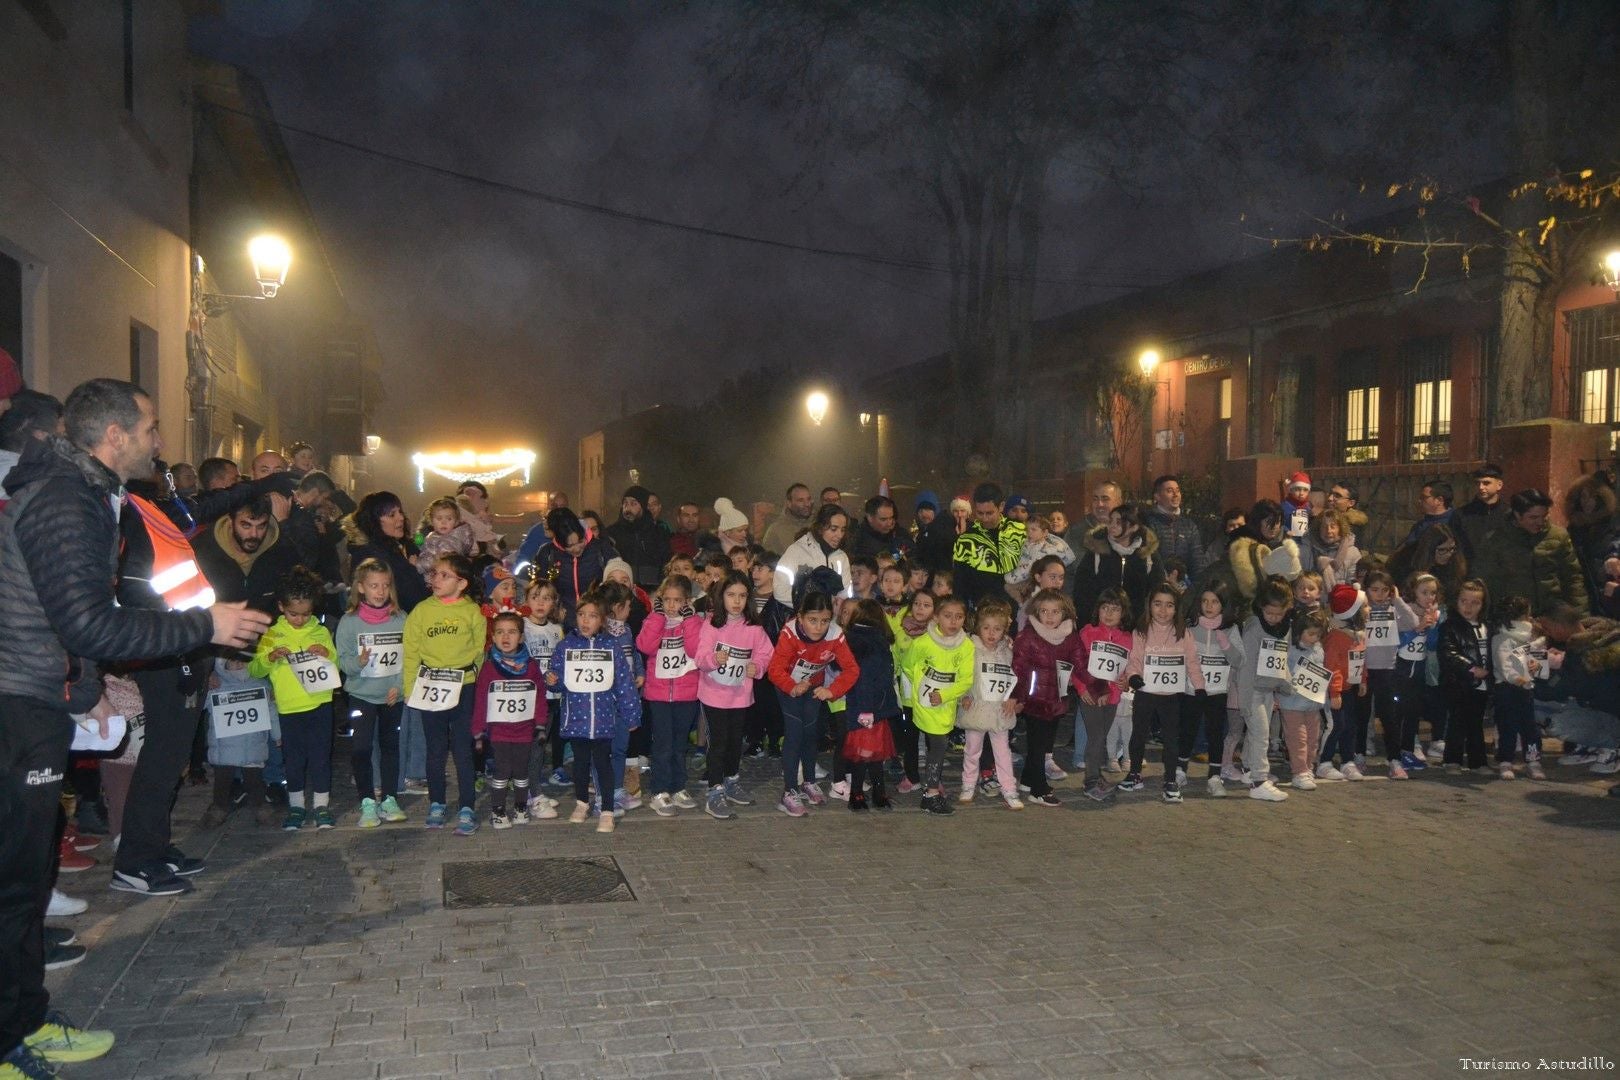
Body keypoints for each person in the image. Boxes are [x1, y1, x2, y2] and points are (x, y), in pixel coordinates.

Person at [249, 568, 339, 832]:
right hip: (289, 707)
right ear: (281, 607)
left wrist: (326, 652)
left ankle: (322, 806)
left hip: (320, 704)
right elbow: (255, 669)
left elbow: (335, 662)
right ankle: (297, 806)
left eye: (306, 614)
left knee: (321, 756)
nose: (300, 620)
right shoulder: (272, 635)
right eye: (293, 614)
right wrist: (270, 656)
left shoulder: (320, 631)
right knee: (294, 759)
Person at [403, 552, 486, 835]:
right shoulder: (422, 611)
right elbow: (411, 651)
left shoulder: (471, 611)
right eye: (434, 574)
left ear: (461, 583)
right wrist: (409, 687)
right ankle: (437, 802)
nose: (435, 579)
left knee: (462, 748)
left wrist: (472, 676)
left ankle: (467, 806)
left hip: (463, 686)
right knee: (435, 749)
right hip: (431, 687)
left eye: (443, 575)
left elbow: (479, 649)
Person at [547, 589, 641, 834]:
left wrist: (631, 714)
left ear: (602, 621)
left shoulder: (611, 647)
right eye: (581, 615)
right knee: (580, 763)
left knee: (603, 764)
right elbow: (555, 676)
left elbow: (624, 683)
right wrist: (552, 679)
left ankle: (607, 809)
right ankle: (581, 802)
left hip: (603, 719)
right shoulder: (566, 645)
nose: (585, 620)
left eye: (592, 616)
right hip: (576, 718)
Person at [766, 588, 859, 817]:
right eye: (812, 620)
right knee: (795, 733)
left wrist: (832, 690)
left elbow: (852, 669)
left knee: (811, 734)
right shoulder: (789, 634)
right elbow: (774, 670)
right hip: (788, 687)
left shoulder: (835, 635)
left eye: (825, 620)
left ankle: (808, 782)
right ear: (800, 617)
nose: (818, 627)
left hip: (813, 688)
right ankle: (789, 791)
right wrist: (792, 687)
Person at [335, 558, 409, 829]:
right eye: (374, 585)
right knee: (361, 748)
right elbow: (341, 662)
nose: (380, 591)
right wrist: (359, 663)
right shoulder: (349, 622)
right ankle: (367, 801)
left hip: (392, 696)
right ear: (361, 588)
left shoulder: (401, 619)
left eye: (385, 586)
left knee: (391, 747)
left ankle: (389, 798)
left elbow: (410, 656)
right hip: (361, 696)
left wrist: (399, 687)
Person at [694, 570, 776, 816]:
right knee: (718, 743)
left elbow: (766, 654)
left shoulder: (754, 627)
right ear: (722, 597)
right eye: (731, 595)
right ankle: (714, 791)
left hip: (740, 695)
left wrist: (758, 667)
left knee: (734, 743)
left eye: (742, 595)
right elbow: (699, 657)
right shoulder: (711, 625)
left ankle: (731, 780)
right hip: (713, 695)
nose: (737, 601)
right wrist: (713, 659)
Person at [1122, 582, 1205, 803]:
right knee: (1138, 735)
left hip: (1170, 696)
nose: (1163, 610)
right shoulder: (1140, 631)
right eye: (1158, 604)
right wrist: (1133, 677)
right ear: (1149, 606)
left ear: (1176, 609)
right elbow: (1135, 659)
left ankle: (1170, 779)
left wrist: (1199, 686)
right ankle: (1134, 773)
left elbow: (1192, 662)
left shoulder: (1183, 634)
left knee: (1171, 739)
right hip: (1146, 692)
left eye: (1169, 605)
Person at [471, 612, 550, 829]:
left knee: (521, 771)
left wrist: (541, 724)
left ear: (521, 638)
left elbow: (539, 697)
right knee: (502, 771)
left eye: (512, 632)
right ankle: (497, 810)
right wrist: (478, 731)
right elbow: (480, 701)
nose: (506, 637)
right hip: (499, 731)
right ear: (493, 638)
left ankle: (521, 807)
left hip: (524, 730)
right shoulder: (489, 668)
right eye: (500, 632)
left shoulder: (531, 667)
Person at [900, 593, 974, 814]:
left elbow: (966, 679)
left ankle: (931, 789)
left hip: (946, 704)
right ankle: (931, 793)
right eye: (948, 616)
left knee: (938, 745)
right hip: (925, 703)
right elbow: (907, 665)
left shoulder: (966, 646)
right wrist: (924, 690)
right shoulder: (923, 643)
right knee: (938, 746)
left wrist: (944, 695)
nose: (953, 621)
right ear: (937, 617)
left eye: (959, 617)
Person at [636, 575, 703, 817]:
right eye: (667, 600)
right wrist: (656, 617)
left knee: (680, 744)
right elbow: (644, 646)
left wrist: (690, 620)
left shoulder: (694, 622)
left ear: (687, 601)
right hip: (659, 694)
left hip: (686, 693)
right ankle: (659, 790)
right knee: (663, 744)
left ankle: (678, 786)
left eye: (678, 601)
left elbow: (696, 650)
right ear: (660, 600)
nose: (672, 605)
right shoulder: (654, 620)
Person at [1011, 588, 1079, 808]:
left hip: (1058, 698)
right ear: (1036, 612)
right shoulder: (1027, 637)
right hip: (1035, 699)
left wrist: (1094, 686)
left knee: (1044, 743)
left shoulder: (1070, 636)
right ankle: (1039, 789)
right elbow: (1018, 670)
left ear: (1065, 613)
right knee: (1038, 743)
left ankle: (1029, 779)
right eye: (1044, 611)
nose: (1050, 617)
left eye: (1055, 611)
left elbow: (1081, 663)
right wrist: (1017, 698)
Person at [1473, 489, 1589, 616]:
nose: (1540, 522)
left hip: (1553, 614)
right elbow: (1486, 582)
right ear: (1517, 515)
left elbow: (1573, 579)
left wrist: (1579, 616)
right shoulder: (1495, 540)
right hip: (1514, 616)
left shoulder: (1558, 536)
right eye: (1533, 517)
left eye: (1544, 516)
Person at [954, 598, 1022, 810]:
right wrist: (963, 695)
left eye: (997, 629)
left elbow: (1014, 677)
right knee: (972, 750)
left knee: (1003, 752)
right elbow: (962, 674)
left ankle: (1009, 789)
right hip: (976, 708)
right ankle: (968, 785)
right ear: (978, 628)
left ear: (1004, 630)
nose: (992, 633)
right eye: (986, 628)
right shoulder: (970, 648)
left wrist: (1014, 698)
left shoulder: (1008, 651)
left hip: (1000, 711)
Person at [1231, 576, 1294, 802]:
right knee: (1261, 734)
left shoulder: (1285, 627)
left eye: (1279, 613)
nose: (1275, 618)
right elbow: (1246, 667)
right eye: (1270, 613)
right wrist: (1246, 699)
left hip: (1268, 689)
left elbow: (1280, 658)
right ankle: (1259, 781)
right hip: (1252, 690)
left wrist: (1285, 684)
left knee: (1257, 733)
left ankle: (1249, 769)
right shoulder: (1253, 629)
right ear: (1261, 608)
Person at [198, 654, 278, 829]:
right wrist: (205, 684)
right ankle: (219, 808)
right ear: (223, 665)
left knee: (255, 780)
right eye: (232, 661)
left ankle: (259, 806)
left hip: (253, 745)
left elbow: (271, 710)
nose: (238, 664)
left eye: (243, 660)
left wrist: (277, 735)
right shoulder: (217, 686)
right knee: (222, 781)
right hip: (224, 747)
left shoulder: (261, 685)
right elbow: (200, 705)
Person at [836, 599, 900, 812]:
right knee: (869, 755)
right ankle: (867, 793)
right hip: (871, 708)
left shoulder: (856, 639)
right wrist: (868, 709)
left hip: (866, 707)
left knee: (870, 754)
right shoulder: (873, 641)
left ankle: (865, 793)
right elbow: (868, 678)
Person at [1183, 582, 1244, 798]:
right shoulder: (1189, 626)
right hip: (1192, 690)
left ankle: (1214, 776)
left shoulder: (1231, 629)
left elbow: (1240, 661)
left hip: (1218, 692)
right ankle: (1181, 770)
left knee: (1216, 733)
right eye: (1205, 601)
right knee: (1188, 729)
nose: (1209, 606)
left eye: (1215, 602)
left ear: (1223, 605)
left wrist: (1226, 646)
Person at [193, 498, 304, 615]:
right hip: (218, 630)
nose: (254, 534)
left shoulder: (283, 552)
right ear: (231, 521)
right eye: (246, 526)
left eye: (261, 526)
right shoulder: (202, 551)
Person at [1073, 588, 1133, 801]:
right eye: (1104, 608)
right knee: (1096, 737)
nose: (1109, 613)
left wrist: (1124, 683)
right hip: (1090, 694)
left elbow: (1127, 670)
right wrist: (1081, 689)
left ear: (1123, 613)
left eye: (1115, 609)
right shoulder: (1087, 633)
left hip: (1112, 697)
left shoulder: (1127, 639)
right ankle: (1090, 781)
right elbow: (1076, 665)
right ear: (1097, 610)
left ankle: (1096, 775)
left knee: (1100, 737)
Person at [514, 508, 615, 628]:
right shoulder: (547, 553)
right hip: (563, 625)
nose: (577, 549)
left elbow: (618, 583)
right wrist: (554, 613)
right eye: (570, 546)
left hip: (598, 623)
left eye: (580, 541)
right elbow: (540, 589)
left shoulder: (601, 549)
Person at [1071, 503, 1162, 623]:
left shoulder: (1148, 555)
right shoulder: (1097, 552)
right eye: (1111, 521)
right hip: (1100, 626)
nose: (1112, 526)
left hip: (1136, 628)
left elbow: (1157, 591)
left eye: (1119, 522)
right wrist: (1089, 624)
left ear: (1134, 527)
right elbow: (1081, 592)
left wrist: (1145, 623)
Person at [1437, 578, 1492, 775]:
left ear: (1482, 604)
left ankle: (1478, 761)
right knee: (1458, 721)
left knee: (1476, 723)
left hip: (1481, 684)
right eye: (1464, 601)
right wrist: (1470, 667)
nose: (1468, 607)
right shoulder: (1450, 627)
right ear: (1456, 601)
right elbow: (1448, 653)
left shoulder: (1487, 627)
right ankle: (1452, 759)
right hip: (1459, 683)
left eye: (1475, 603)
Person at [1316, 583, 1369, 782]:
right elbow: (1333, 667)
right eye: (1364, 607)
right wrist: (1335, 692)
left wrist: (1363, 680)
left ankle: (1347, 761)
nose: (1368, 610)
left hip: (1350, 689)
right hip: (1335, 691)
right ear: (1352, 612)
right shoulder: (1336, 637)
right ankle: (1324, 762)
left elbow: (1361, 660)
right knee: (1335, 725)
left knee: (1351, 726)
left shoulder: (1358, 635)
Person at [344, 492, 429, 612]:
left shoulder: (403, 546)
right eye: (392, 515)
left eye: (400, 512)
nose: (401, 518)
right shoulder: (368, 555)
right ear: (374, 521)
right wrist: (413, 569)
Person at [952, 482, 1027, 611]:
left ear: (1001, 506)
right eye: (980, 513)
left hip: (1019, 610)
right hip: (982, 613)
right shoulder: (966, 540)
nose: (985, 519)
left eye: (990, 513)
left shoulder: (1020, 531)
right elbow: (960, 585)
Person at [773, 503, 853, 605]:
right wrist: (814, 605)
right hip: (799, 618)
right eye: (833, 529)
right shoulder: (796, 551)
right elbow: (780, 591)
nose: (839, 535)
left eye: (843, 530)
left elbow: (845, 595)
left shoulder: (842, 557)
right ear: (820, 528)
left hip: (832, 619)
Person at [1562, 472, 1618, 604]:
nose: (1587, 502)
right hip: (1580, 588)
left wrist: (1613, 556)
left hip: (1606, 587)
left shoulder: (1611, 522)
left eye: (1592, 497)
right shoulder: (1575, 527)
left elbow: (1615, 542)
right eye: (1583, 497)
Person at [603, 485, 672, 590]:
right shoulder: (612, 533)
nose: (628, 508)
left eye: (633, 504)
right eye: (625, 503)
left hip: (653, 592)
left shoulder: (658, 533)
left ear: (643, 506)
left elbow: (666, 564)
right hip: (622, 591)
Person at [1142, 475, 1207, 582]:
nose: (1176, 495)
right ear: (1157, 496)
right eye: (1170, 491)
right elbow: (1147, 558)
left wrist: (1196, 589)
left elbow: (1197, 562)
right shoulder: (1148, 522)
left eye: (1177, 490)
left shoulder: (1189, 525)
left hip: (1184, 587)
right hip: (1156, 586)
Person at [416, 496, 477, 584]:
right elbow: (427, 551)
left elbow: (438, 562)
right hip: (435, 580)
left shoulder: (451, 541)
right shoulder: (434, 536)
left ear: (456, 521)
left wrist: (417, 564)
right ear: (431, 521)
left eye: (449, 519)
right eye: (439, 518)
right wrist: (420, 545)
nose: (444, 522)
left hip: (443, 582)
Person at [1455, 463, 1510, 560]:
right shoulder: (1461, 514)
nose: (1481, 487)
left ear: (1499, 485)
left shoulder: (1510, 513)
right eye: (1477, 483)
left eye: (1486, 483)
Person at [849, 494, 912, 561]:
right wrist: (897, 556)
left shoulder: (900, 534)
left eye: (891, 518)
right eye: (883, 519)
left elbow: (911, 552)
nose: (889, 523)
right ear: (870, 517)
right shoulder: (859, 541)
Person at [1400, 479, 1456, 550]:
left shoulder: (1456, 522)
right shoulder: (1420, 525)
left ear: (1439, 500)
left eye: (1424, 497)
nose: (1419, 501)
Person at [762, 483, 815, 556]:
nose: (807, 504)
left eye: (808, 499)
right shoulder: (776, 530)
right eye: (800, 500)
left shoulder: (819, 525)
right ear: (789, 503)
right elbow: (767, 561)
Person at [910, 490, 956, 574]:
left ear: (936, 510)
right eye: (920, 511)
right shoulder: (924, 530)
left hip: (940, 578)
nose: (924, 514)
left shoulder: (943, 529)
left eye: (928, 509)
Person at [1280, 472, 1313, 540]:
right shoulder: (1284, 506)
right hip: (1288, 540)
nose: (1301, 493)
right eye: (1297, 489)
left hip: (1305, 541)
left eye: (1305, 490)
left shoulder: (1308, 507)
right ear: (1291, 490)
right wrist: (1286, 531)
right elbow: (1279, 523)